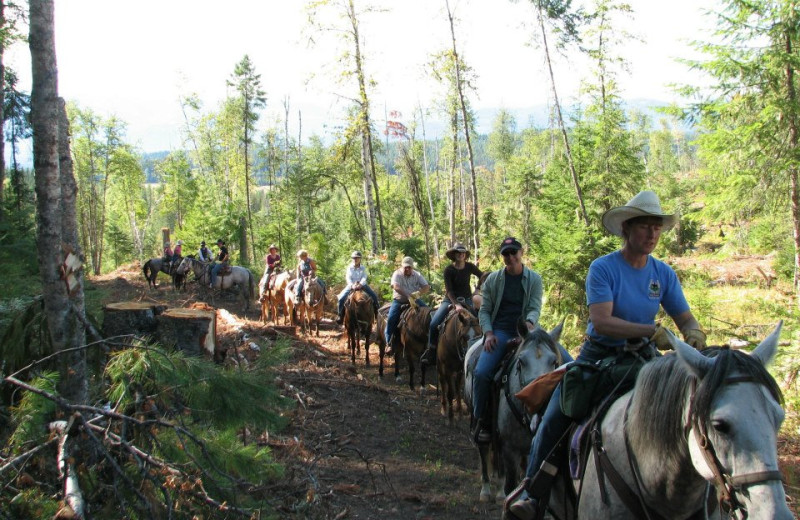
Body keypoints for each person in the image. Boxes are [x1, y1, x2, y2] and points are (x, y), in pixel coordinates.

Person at [507, 191, 707, 519]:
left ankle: (707, 496)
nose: (652, 234)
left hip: (644, 359)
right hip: (598, 358)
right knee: (559, 412)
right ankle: (533, 492)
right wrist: (649, 331)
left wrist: (694, 333)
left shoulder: (663, 274)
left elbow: (684, 317)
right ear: (627, 229)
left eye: (657, 227)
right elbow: (603, 321)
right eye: (645, 226)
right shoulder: (603, 268)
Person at [472, 237, 559, 445]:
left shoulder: (534, 279)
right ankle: (481, 419)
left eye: (513, 252)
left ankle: (563, 418)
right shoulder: (493, 280)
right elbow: (485, 310)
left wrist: (529, 323)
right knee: (482, 373)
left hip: (527, 330)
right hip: (501, 330)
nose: (510, 257)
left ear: (521, 252)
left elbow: (534, 306)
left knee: (563, 359)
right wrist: (489, 333)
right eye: (506, 254)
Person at [421, 242, 483, 366]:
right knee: (434, 324)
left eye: (463, 253)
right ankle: (432, 351)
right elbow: (449, 290)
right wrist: (456, 304)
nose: (461, 255)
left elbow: (482, 275)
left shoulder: (470, 267)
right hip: (450, 300)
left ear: (465, 255)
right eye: (458, 253)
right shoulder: (449, 270)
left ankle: (481, 349)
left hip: (467, 299)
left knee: (480, 322)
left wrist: (477, 289)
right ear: (454, 255)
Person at [384, 256, 430, 349]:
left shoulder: (417, 274)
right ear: (402, 266)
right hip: (399, 300)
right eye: (405, 267)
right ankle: (388, 343)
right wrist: (407, 295)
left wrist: (419, 293)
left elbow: (426, 286)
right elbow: (395, 286)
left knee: (429, 314)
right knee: (391, 319)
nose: (407, 269)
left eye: (409, 267)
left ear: (412, 267)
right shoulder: (397, 274)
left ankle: (431, 342)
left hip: (414, 300)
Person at [336, 251, 380, 324]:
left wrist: (361, 284)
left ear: (360, 259)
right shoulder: (349, 268)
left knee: (374, 296)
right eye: (353, 258)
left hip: (362, 285)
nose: (355, 259)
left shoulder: (363, 268)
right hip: (351, 285)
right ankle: (340, 315)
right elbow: (348, 277)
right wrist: (352, 285)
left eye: (357, 258)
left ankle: (377, 315)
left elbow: (364, 277)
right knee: (341, 298)